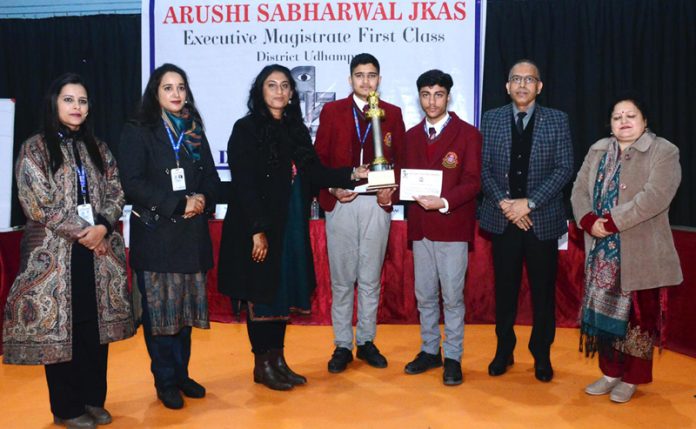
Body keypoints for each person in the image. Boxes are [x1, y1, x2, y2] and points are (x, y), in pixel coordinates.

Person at [217, 64, 368, 391]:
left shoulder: (295, 129)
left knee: (282, 294)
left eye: (285, 86)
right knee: (261, 294)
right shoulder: (245, 129)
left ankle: (279, 361)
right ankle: (262, 364)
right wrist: (257, 229)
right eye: (272, 85)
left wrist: (351, 174)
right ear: (261, 91)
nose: (279, 91)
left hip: (290, 226)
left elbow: (314, 171)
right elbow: (243, 184)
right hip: (257, 225)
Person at [2, 73, 134, 429]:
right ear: (54, 103)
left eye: (83, 101)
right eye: (69, 100)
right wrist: (83, 232)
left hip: (98, 252)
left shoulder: (99, 148)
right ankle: (66, 407)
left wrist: (103, 226)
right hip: (54, 256)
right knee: (63, 330)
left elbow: (117, 191)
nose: (77, 107)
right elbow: (37, 202)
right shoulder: (35, 148)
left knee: (94, 329)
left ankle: (92, 400)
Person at [118, 63, 220, 409]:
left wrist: (204, 198)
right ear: (155, 93)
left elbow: (209, 176)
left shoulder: (193, 130)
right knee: (161, 315)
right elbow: (131, 184)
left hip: (191, 237)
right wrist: (178, 203)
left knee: (185, 313)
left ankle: (181, 374)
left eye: (181, 87)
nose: (176, 94)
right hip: (158, 235)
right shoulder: (138, 130)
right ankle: (164, 381)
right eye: (168, 88)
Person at [570, 94, 682, 403]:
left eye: (631, 116)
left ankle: (632, 378)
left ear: (645, 121)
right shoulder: (597, 149)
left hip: (640, 251)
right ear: (610, 123)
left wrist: (612, 221)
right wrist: (587, 219)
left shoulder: (664, 151)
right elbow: (579, 189)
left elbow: (656, 196)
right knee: (603, 317)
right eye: (617, 116)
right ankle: (609, 372)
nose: (624, 121)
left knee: (638, 319)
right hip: (601, 251)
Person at [479, 59, 573, 382]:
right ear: (507, 86)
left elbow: (564, 168)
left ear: (539, 86)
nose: (522, 85)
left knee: (543, 293)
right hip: (503, 219)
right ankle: (504, 350)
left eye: (528, 80)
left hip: (541, 221)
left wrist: (528, 204)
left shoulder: (557, 120)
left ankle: (541, 354)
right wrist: (508, 206)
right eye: (516, 79)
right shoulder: (490, 120)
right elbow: (483, 169)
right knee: (504, 291)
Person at [314, 53, 406, 373]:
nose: (366, 81)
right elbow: (319, 161)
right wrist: (331, 189)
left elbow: (402, 161)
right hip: (342, 202)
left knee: (369, 278)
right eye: (359, 75)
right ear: (350, 79)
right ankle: (342, 344)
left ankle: (366, 340)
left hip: (375, 205)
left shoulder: (392, 113)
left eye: (371, 75)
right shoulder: (333, 111)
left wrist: (390, 191)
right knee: (342, 280)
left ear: (379, 79)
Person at [400, 70, 481, 385]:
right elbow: (402, 180)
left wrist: (444, 201)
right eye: (425, 94)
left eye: (438, 94)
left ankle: (454, 357)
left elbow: (474, 182)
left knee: (452, 296)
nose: (431, 101)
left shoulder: (468, 135)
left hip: (451, 225)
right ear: (419, 97)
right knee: (424, 295)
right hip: (420, 228)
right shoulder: (410, 136)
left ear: (448, 96)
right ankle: (430, 350)